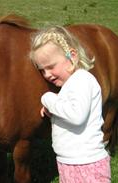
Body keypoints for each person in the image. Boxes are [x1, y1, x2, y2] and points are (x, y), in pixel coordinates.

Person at [29, 26, 111, 183]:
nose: (47, 74)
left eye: (51, 66)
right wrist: (54, 111)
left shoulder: (82, 79)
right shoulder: (70, 86)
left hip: (88, 165)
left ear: (72, 56)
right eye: (42, 70)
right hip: (69, 163)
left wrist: (48, 98)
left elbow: (76, 116)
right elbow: (71, 113)